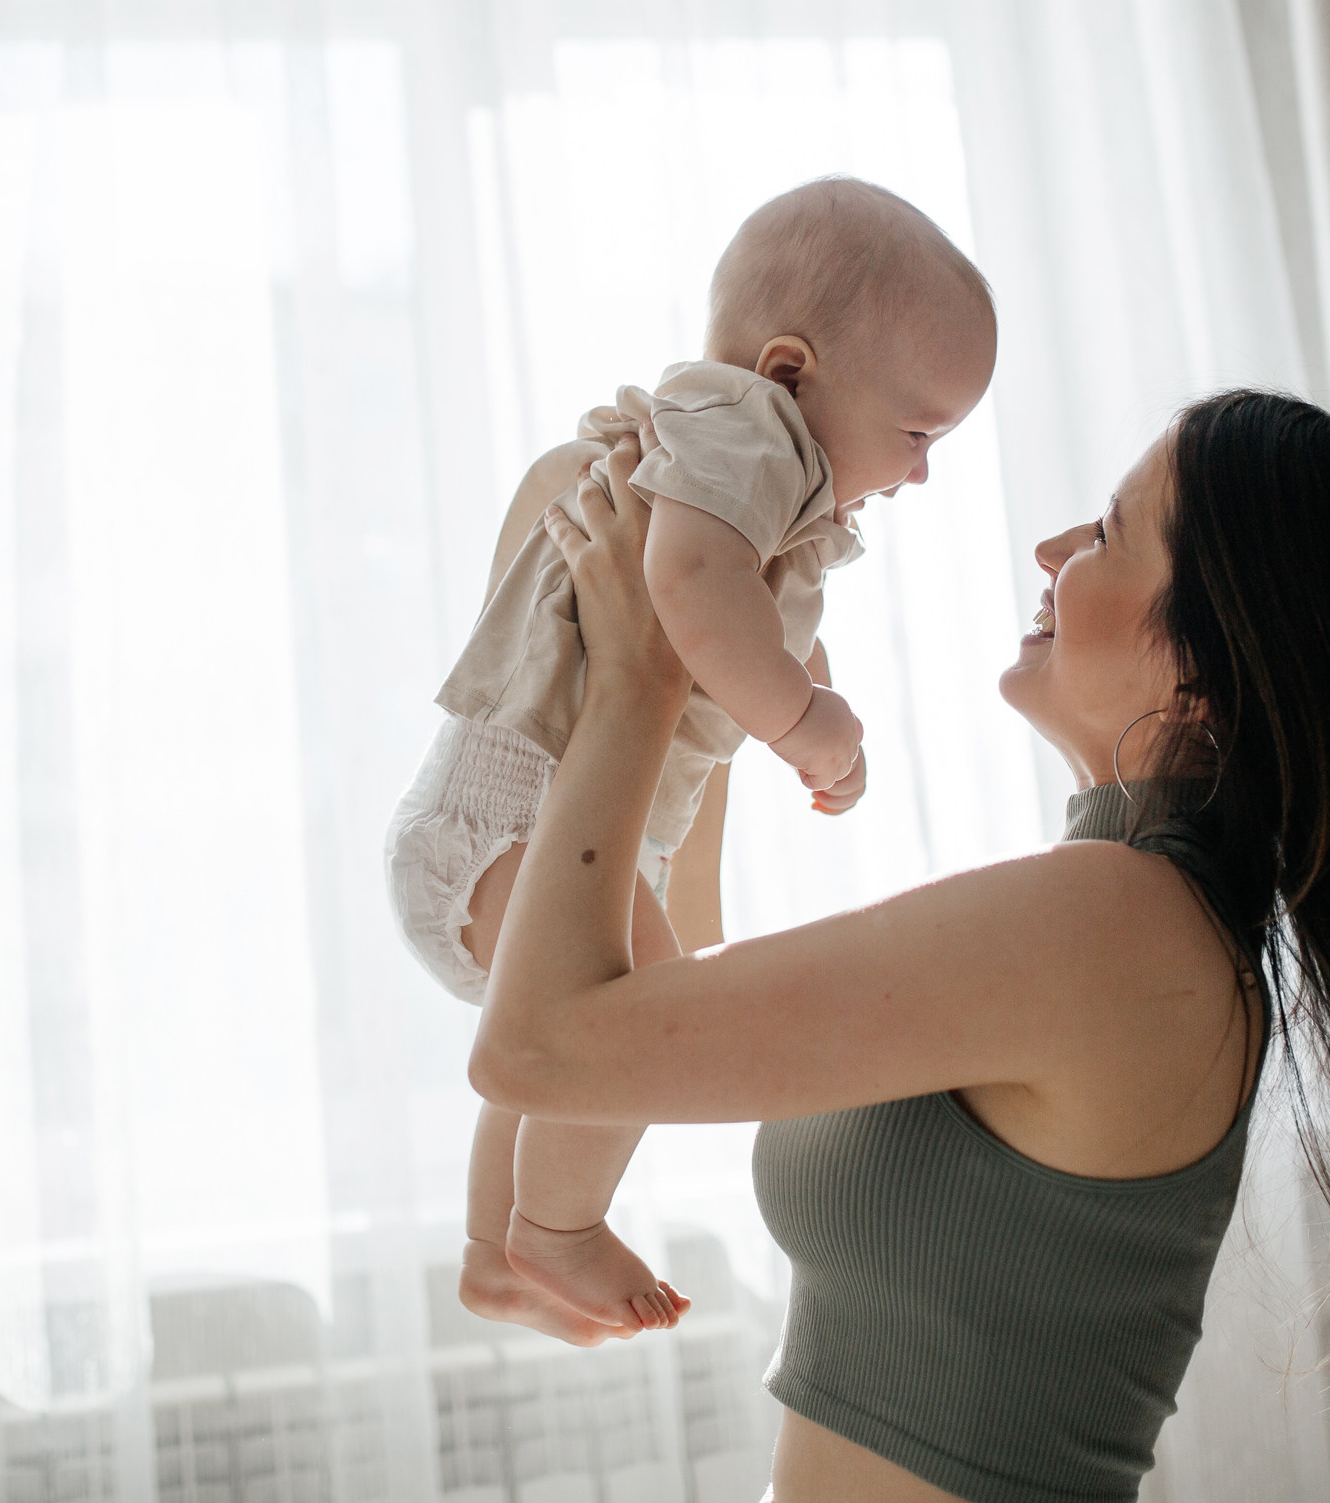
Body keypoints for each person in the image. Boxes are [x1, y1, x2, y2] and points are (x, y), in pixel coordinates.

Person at [469, 392, 1330, 1503]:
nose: (1051, 548)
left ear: (1200, 673)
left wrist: (636, 680)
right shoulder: (1135, 925)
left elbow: (542, 1047)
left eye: (1111, 530)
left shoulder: (1119, 928)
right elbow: (657, 1005)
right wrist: (693, 689)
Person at [384, 176, 998, 1342]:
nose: (921, 471)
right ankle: (554, 1228)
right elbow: (690, 595)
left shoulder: (746, 460)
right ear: (788, 371)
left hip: (542, 831)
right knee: (635, 1026)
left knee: (554, 1046)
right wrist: (809, 720)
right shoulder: (742, 430)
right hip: (512, 821)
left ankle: (491, 1254)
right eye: (919, 432)